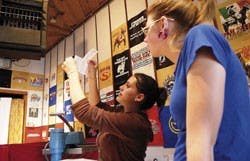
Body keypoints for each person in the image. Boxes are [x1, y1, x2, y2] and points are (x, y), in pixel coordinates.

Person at [142, 0, 250, 161]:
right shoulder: (183, 66)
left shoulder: (200, 35)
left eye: (146, 29)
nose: (144, 39)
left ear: (163, 24)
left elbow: (201, 139)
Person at [61, 58, 166, 161]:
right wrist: (92, 75)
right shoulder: (122, 112)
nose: (121, 87)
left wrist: (72, 73)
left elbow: (84, 113)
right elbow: (96, 106)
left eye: (128, 86)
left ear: (139, 97)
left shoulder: (134, 122)